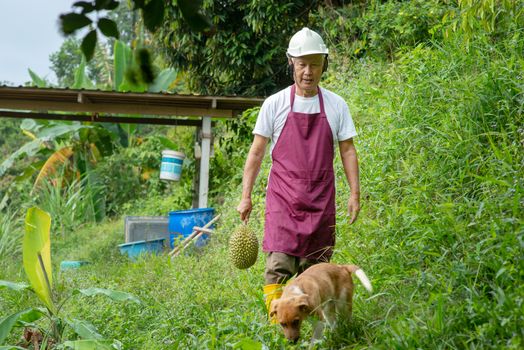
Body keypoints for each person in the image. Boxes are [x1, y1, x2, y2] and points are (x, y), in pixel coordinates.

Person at [236, 27, 361, 321]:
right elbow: (256, 152)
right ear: (291, 62)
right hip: (283, 202)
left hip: (320, 203)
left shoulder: (336, 105)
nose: (308, 71)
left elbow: (348, 151)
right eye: (302, 63)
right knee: (277, 267)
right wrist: (246, 196)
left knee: (315, 272)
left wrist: (355, 194)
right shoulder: (275, 104)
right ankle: (276, 325)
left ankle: (313, 333)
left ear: (323, 65)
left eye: (315, 64)